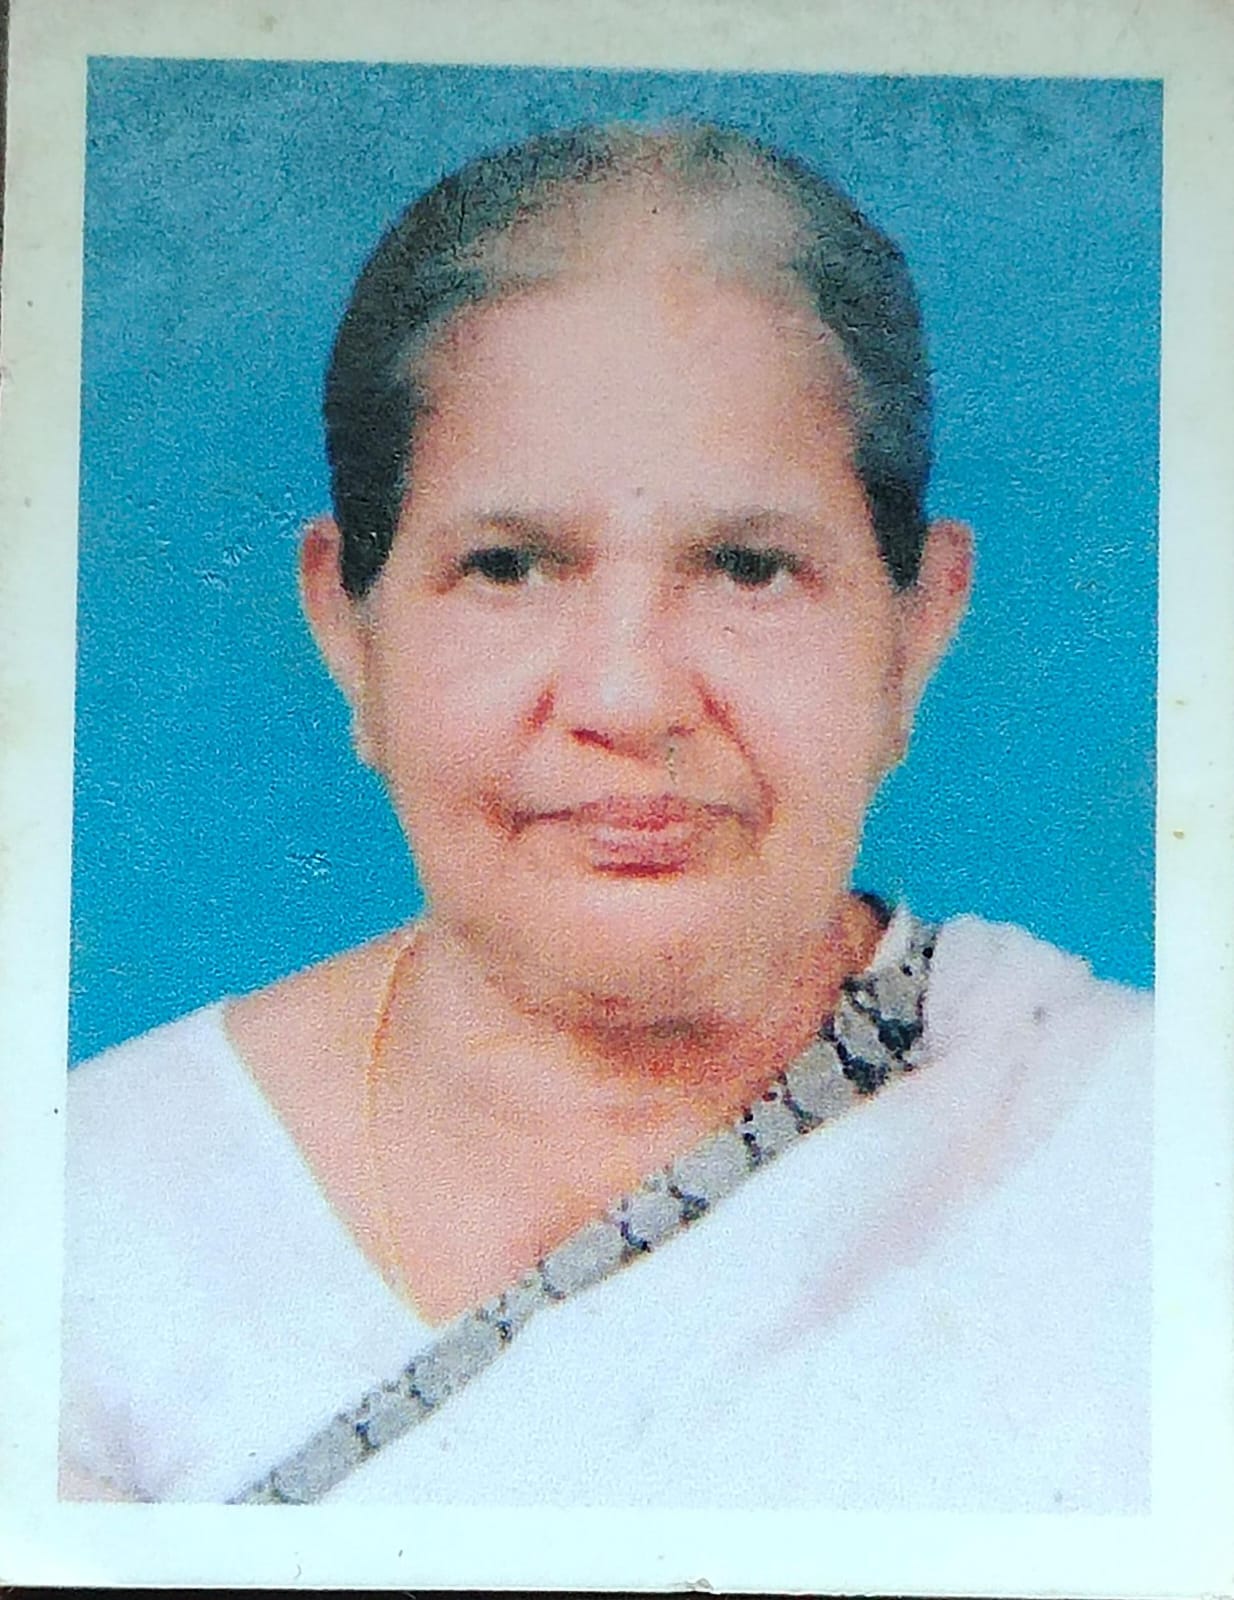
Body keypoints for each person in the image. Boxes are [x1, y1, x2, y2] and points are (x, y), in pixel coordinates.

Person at [60, 121, 1151, 1509]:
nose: (630, 700)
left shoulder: (1144, 1155)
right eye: (508, 567)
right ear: (348, 627)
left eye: (748, 567)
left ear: (917, 627)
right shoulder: (87, 1221)